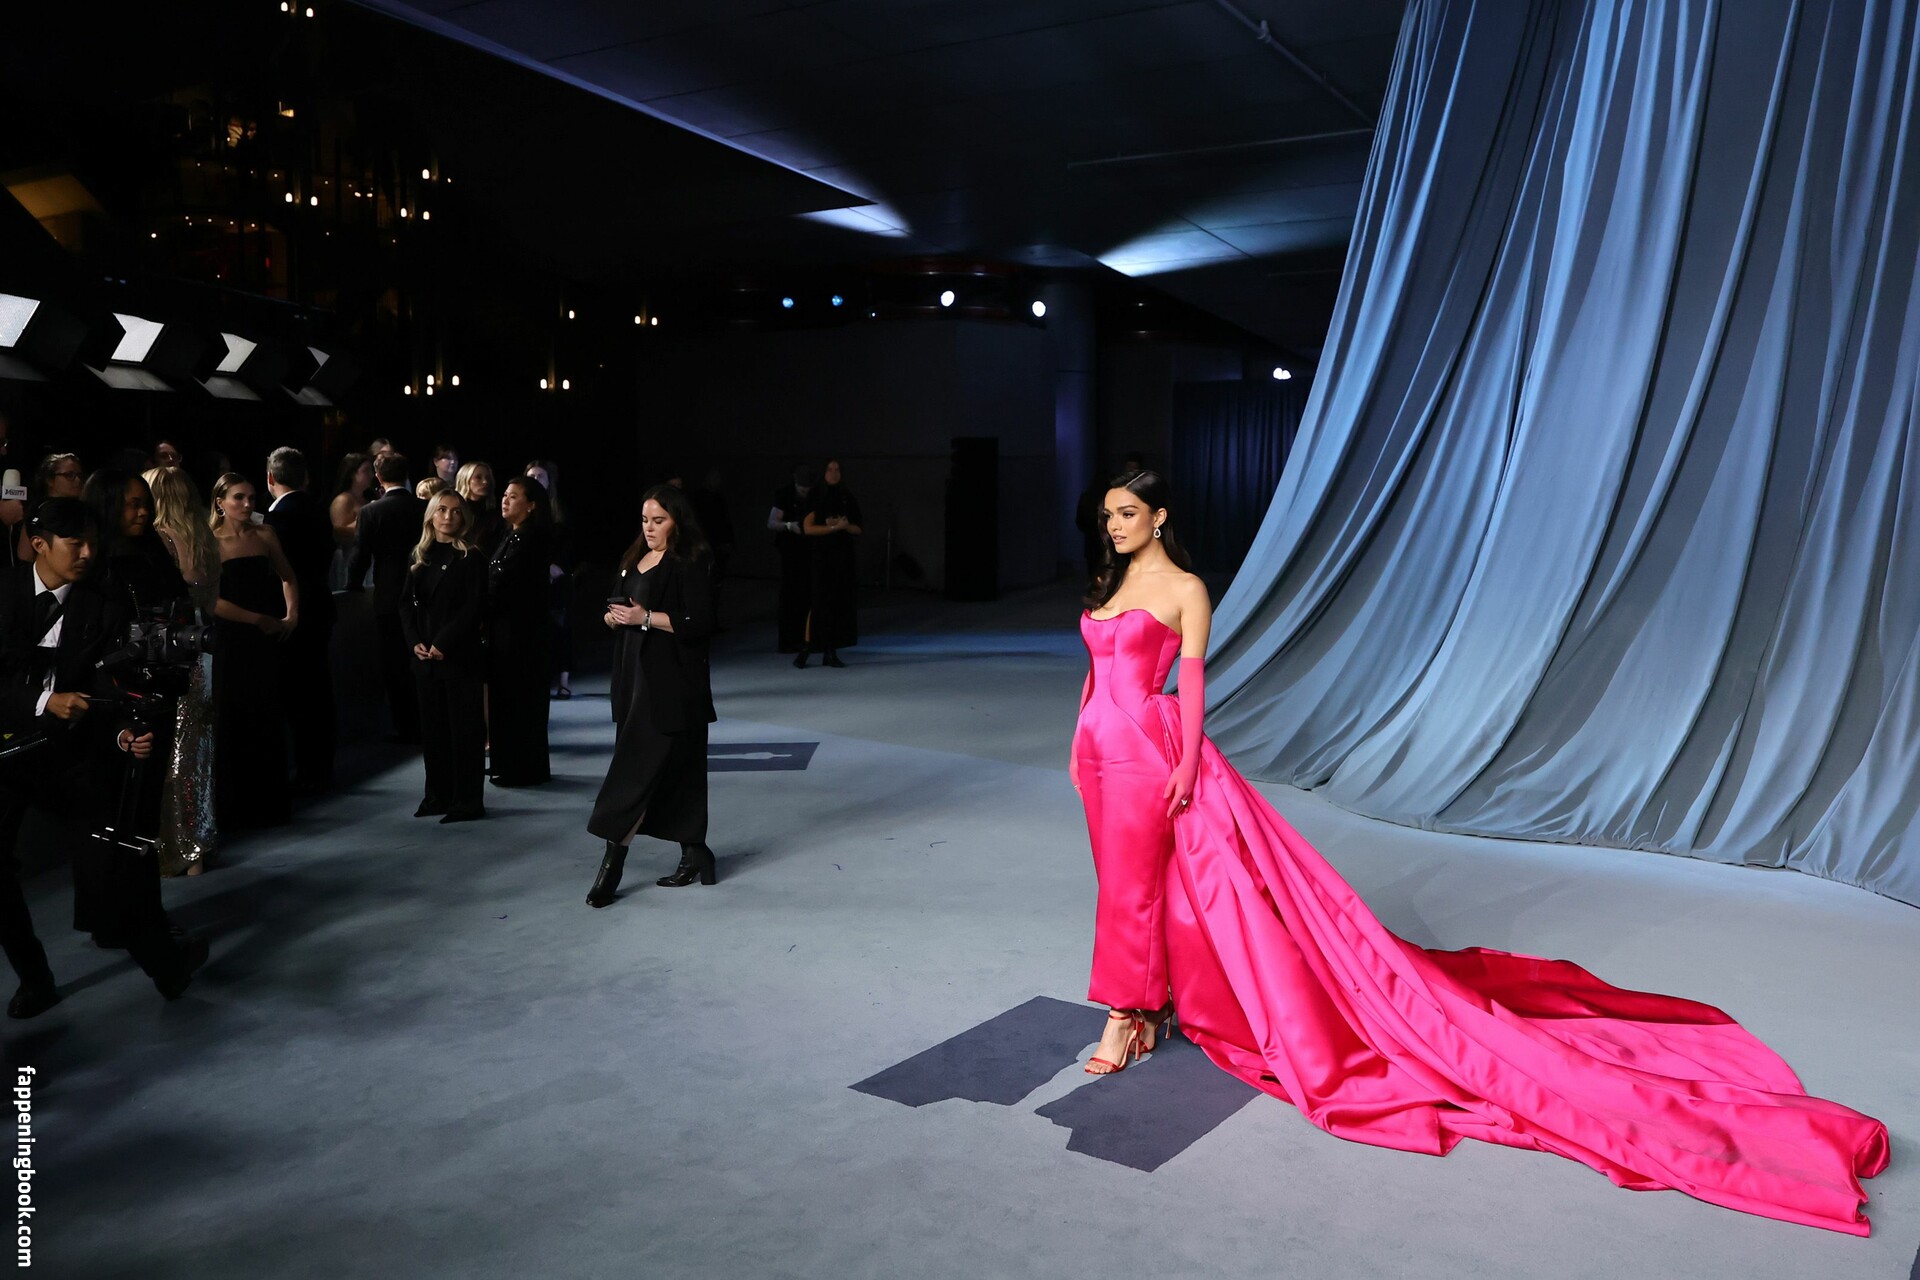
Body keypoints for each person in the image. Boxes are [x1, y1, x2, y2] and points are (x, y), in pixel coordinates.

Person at [1068, 469, 1888, 1233]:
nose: (1115, 526)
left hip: (1151, 752)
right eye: (1108, 516)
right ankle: (1151, 1004)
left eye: (1128, 513)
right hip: (1099, 751)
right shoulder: (1112, 586)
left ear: (1160, 516)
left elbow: (1193, 685)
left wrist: (1186, 764)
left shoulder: (1184, 590)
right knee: (1136, 882)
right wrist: (1078, 744)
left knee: (1138, 888)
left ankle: (1123, 1015)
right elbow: (1095, 678)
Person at [0, 498, 207, 1005]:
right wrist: (44, 701)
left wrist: (121, 734)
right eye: (76, 543)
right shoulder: (3, 592)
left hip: (72, 756)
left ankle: (168, 969)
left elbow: (110, 686)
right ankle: (35, 979)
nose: (88, 554)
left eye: (93, 543)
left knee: (113, 865)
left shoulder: (105, 602)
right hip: (6, 754)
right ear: (39, 543)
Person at [585, 484, 719, 905]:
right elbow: (621, 607)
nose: (649, 528)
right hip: (633, 678)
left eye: (658, 520)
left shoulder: (689, 560)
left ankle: (612, 865)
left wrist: (645, 618)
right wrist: (614, 617)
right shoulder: (634, 558)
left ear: (677, 521)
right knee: (675, 771)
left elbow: (700, 621)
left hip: (671, 683)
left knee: (635, 773)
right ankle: (696, 853)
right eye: (645, 520)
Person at [143, 466, 219, 876]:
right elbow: (209, 596)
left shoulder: (159, 539)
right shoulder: (204, 537)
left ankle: (175, 849)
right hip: (202, 651)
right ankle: (198, 844)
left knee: (171, 753)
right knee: (197, 753)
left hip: (172, 652)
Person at [210, 472, 297, 829]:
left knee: (268, 713)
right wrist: (256, 619)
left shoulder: (265, 534)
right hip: (232, 639)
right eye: (238, 498)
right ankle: (238, 809)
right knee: (235, 716)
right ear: (220, 502)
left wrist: (292, 615)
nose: (247, 504)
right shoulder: (210, 542)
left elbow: (288, 576)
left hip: (266, 638)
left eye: (250, 498)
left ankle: (270, 803)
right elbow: (210, 601)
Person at [401, 491, 487, 823]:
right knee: (433, 732)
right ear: (431, 515)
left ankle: (466, 801)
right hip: (424, 657)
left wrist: (444, 643)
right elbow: (405, 604)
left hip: (459, 656)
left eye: (455, 511)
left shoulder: (471, 557)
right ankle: (437, 796)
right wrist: (414, 642)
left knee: (464, 732)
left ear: (464, 517)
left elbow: (474, 606)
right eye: (441, 510)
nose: (448, 516)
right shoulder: (419, 555)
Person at [265, 447, 338, 792]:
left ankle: (309, 769)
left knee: (299, 695)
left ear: (270, 478)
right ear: (305, 477)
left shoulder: (276, 520)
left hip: (292, 615)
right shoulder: (318, 510)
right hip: (320, 607)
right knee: (318, 689)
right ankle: (321, 765)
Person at [347, 453, 427, 742]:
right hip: (424, 592)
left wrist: (353, 583)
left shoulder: (371, 511)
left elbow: (361, 554)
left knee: (395, 663)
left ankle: (406, 727)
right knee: (423, 658)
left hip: (389, 594)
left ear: (379, 477)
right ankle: (428, 721)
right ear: (406, 475)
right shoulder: (425, 507)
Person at [486, 476, 551, 786]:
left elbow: (504, 583)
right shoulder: (512, 535)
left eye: (513, 496)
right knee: (510, 696)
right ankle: (510, 763)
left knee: (519, 698)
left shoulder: (529, 538)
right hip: (509, 628)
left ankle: (521, 767)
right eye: (504, 495)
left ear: (532, 505)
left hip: (521, 631)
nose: (505, 500)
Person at [796, 458, 861, 668]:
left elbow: (858, 528)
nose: (834, 473)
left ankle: (829, 650)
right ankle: (809, 647)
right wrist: (833, 528)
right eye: (830, 469)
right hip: (821, 557)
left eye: (837, 469)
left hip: (841, 558)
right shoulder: (816, 495)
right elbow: (808, 528)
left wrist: (844, 526)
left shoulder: (846, 496)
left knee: (835, 603)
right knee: (819, 602)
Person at [525, 460, 577, 699]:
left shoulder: (559, 509)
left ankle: (564, 681)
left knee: (562, 627)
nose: (535, 480)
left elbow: (569, 543)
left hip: (558, 575)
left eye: (540, 476)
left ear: (548, 481)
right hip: (531, 576)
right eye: (531, 476)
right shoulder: (522, 507)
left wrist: (557, 566)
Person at [767, 464, 812, 654]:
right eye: (801, 488)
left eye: (807, 489)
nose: (804, 492)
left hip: (808, 550)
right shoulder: (784, 495)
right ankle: (788, 641)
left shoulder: (814, 495)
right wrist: (788, 525)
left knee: (807, 596)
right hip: (790, 551)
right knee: (789, 596)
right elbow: (771, 522)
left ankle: (806, 638)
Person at [455, 461, 499, 551]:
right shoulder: (455, 510)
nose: (485, 482)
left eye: (487, 478)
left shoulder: (494, 513)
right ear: (465, 479)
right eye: (478, 477)